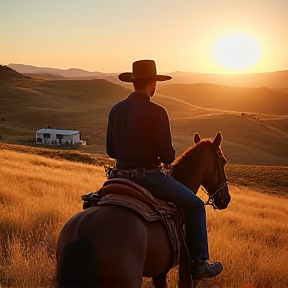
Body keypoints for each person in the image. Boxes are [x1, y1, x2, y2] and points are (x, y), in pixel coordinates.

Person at [106, 59, 223, 280]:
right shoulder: (157, 111)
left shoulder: (116, 110)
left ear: (133, 82)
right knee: (197, 205)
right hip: (149, 178)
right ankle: (199, 262)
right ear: (152, 82)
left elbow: (111, 151)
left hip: (118, 178)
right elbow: (168, 156)